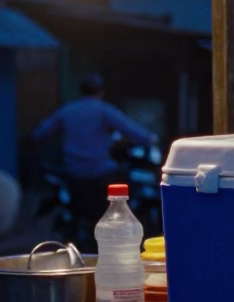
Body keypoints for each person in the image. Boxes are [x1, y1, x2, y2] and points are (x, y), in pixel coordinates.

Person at [33, 74, 157, 230]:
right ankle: (124, 221)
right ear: (100, 92)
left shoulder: (67, 111)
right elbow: (130, 129)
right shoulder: (103, 110)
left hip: (72, 172)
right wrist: (151, 138)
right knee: (127, 182)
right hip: (100, 170)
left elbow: (40, 134)